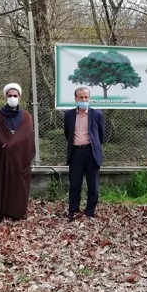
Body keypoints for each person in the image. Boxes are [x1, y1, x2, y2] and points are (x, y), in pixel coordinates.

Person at [0, 83, 35, 221]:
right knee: (0, 183)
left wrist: (11, 145)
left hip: (19, 159)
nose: (12, 98)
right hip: (3, 159)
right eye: (10, 96)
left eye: (15, 95)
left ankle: (16, 212)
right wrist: (6, 145)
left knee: (18, 185)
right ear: (5, 97)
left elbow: (26, 136)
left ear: (19, 97)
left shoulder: (26, 116)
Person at [64, 86, 105, 222]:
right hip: (76, 153)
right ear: (76, 99)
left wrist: (93, 146)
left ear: (89, 98)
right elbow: (67, 134)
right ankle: (73, 211)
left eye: (86, 97)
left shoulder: (97, 114)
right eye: (81, 97)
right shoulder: (69, 115)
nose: (84, 100)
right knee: (75, 184)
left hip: (91, 153)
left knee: (93, 185)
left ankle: (89, 212)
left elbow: (100, 135)